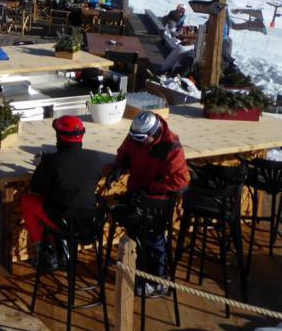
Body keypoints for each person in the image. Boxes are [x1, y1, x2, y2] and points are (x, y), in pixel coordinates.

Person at [105, 112, 190, 294]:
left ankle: (159, 280)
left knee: (154, 238)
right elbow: (125, 151)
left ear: (155, 133)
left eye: (142, 139)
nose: (138, 143)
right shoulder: (136, 136)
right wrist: (120, 166)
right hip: (137, 197)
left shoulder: (170, 147)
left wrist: (150, 189)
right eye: (135, 138)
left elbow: (181, 180)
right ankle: (138, 268)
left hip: (158, 203)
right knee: (134, 232)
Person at [20, 116, 103, 271]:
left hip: (63, 221)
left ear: (59, 136)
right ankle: (61, 247)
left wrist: (41, 166)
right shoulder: (95, 158)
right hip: (89, 222)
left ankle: (44, 254)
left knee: (27, 201)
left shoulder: (51, 161)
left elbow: (36, 188)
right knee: (64, 202)